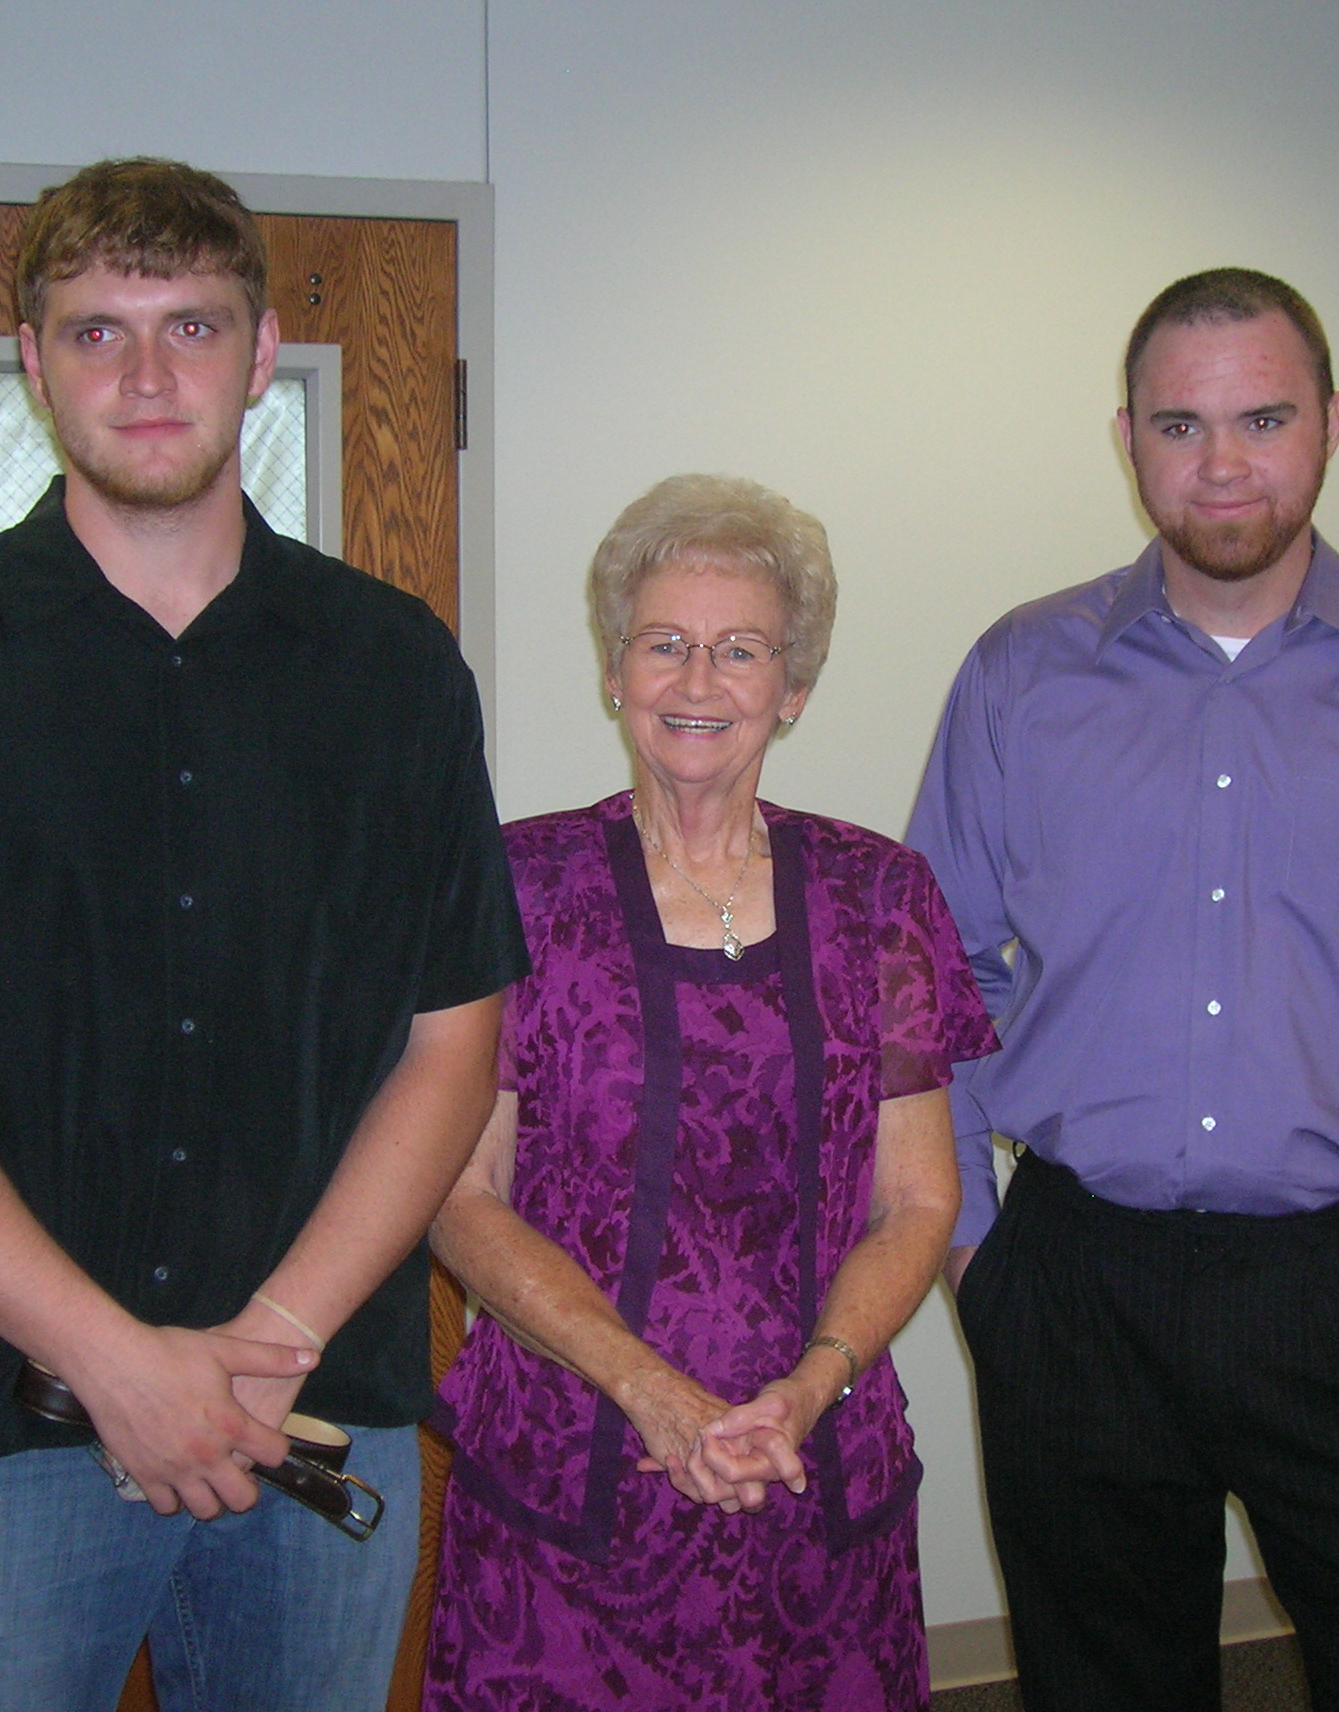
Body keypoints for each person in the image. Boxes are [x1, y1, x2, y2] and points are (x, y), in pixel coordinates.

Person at [0, 158, 527, 1712]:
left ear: (262, 349)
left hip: (311, 1414)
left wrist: (267, 1345)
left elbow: (450, 1049)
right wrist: (116, 1362)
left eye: (191, 327)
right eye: (98, 332)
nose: (147, 375)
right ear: (32, 360)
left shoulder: (393, 669)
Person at [907, 268, 1339, 1712]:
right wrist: (979, 1255)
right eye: (1180, 424)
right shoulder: (1023, 672)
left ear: (1331, 423)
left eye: (1263, 418)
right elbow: (926, 979)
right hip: (1075, 1281)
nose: (1221, 463)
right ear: (1127, 439)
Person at [422, 474, 999, 1711]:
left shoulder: (881, 894)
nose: (698, 679)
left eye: (740, 649)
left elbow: (916, 1198)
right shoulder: (515, 886)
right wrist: (649, 1390)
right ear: (612, 670)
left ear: (793, 688)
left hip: (811, 1461)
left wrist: (809, 1385)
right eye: (663, 643)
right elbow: (458, 1195)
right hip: (569, 1475)